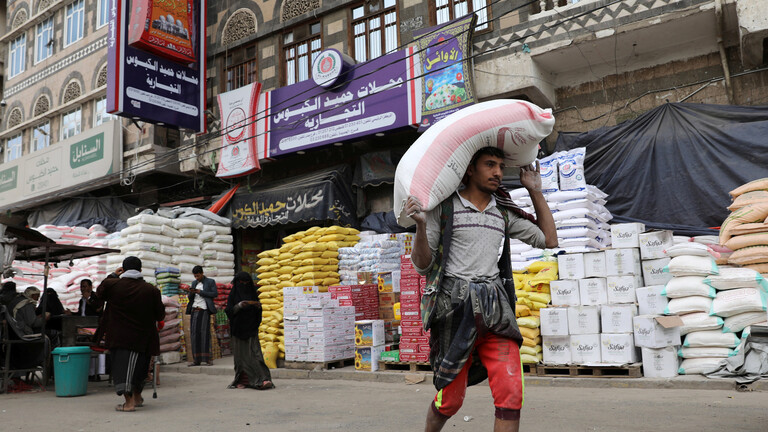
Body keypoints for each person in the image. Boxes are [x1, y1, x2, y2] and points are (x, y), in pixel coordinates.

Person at [406, 147, 558, 432]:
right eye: (490, 164)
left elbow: (549, 240)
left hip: (494, 310)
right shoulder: (445, 207)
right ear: (470, 170)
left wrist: (535, 191)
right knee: (450, 401)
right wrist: (421, 227)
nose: (498, 172)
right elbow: (423, 266)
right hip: (455, 310)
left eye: (501, 165)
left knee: (511, 391)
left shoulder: (502, 211)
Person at [95, 257, 165, 412]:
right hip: (144, 339)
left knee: (123, 370)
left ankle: (129, 403)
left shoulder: (112, 285)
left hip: (121, 338)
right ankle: (137, 397)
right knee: (140, 369)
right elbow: (160, 315)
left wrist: (113, 275)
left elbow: (99, 293)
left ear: (123, 270)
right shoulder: (151, 290)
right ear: (140, 270)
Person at [224, 272, 274, 390]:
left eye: (247, 283)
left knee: (255, 355)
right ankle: (241, 381)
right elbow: (229, 311)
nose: (244, 285)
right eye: (242, 283)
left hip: (251, 328)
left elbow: (258, 312)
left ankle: (263, 379)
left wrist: (258, 307)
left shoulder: (252, 293)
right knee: (241, 358)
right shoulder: (233, 295)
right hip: (238, 330)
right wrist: (239, 306)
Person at [185, 265, 217, 366]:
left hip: (204, 310)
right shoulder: (194, 283)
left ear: (202, 273)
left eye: (198, 276)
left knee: (204, 333)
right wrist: (191, 292)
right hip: (195, 309)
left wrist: (201, 292)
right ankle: (196, 360)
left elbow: (214, 294)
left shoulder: (210, 282)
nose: (197, 278)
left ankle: (207, 359)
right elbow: (191, 298)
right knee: (194, 334)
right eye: (195, 276)